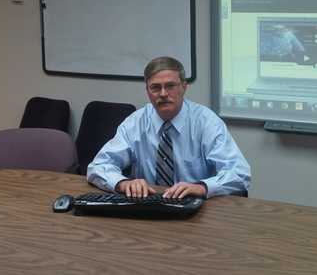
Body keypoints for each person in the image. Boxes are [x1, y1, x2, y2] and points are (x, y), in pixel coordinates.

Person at [87, 56, 251, 199]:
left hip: (197, 209)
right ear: (147, 91)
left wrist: (202, 187)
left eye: (170, 86)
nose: (163, 94)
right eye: (155, 87)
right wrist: (123, 183)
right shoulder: (135, 122)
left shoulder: (206, 122)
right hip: (148, 205)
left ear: (184, 87)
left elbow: (239, 173)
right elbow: (98, 167)